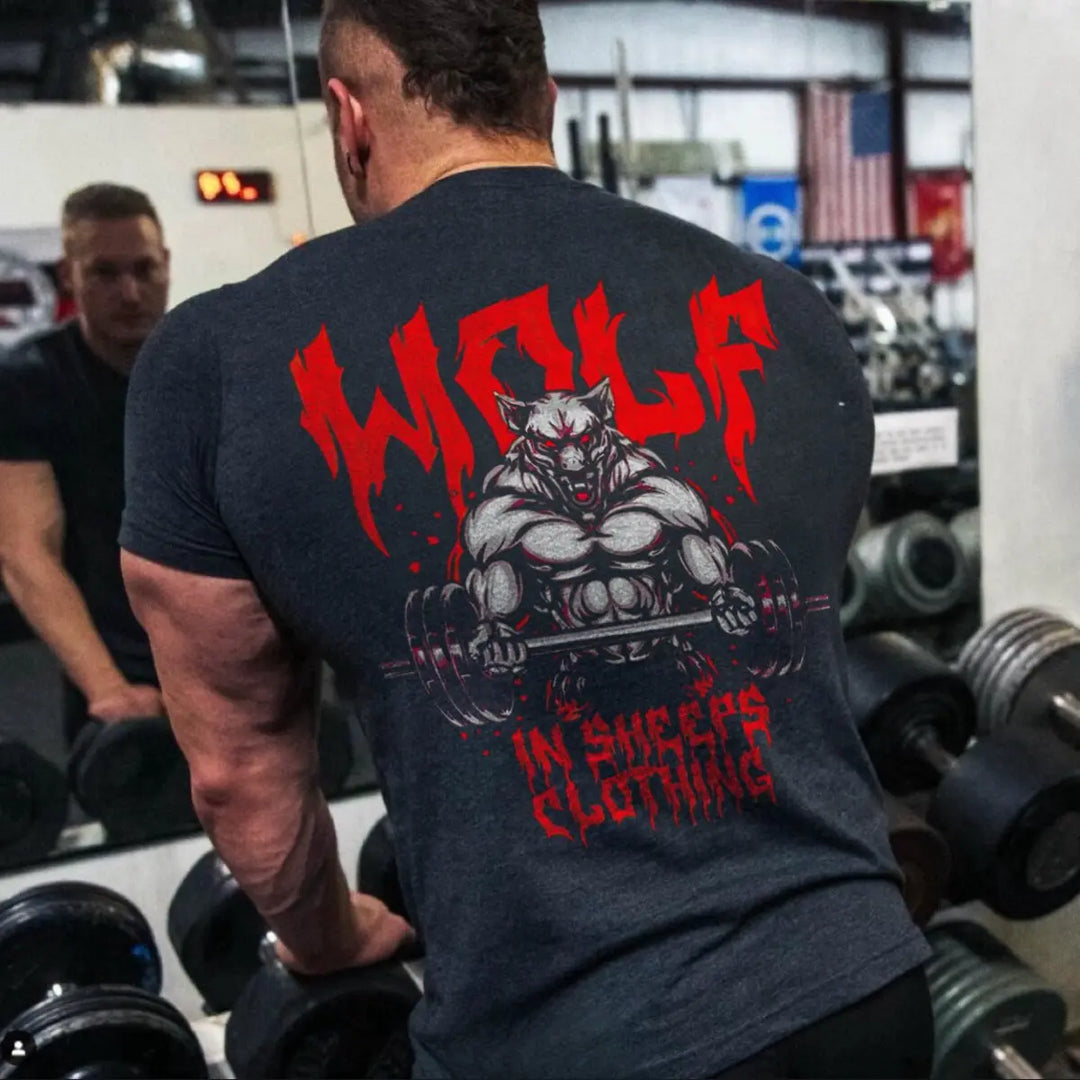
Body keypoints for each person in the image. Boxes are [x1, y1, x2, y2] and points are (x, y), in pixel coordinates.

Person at [119, 2, 933, 1078]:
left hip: (565, 1038)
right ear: (545, 104)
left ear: (348, 120)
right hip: (864, 985)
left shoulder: (216, 362)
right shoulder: (785, 310)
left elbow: (240, 776)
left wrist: (325, 936)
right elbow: (797, 643)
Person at [0, 184, 169, 747]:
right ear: (67, 276)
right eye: (104, 273)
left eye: (144, 269)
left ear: (166, 264)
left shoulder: (203, 366)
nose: (130, 292)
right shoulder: (28, 382)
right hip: (119, 679)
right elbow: (25, 552)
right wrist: (109, 689)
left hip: (231, 674)